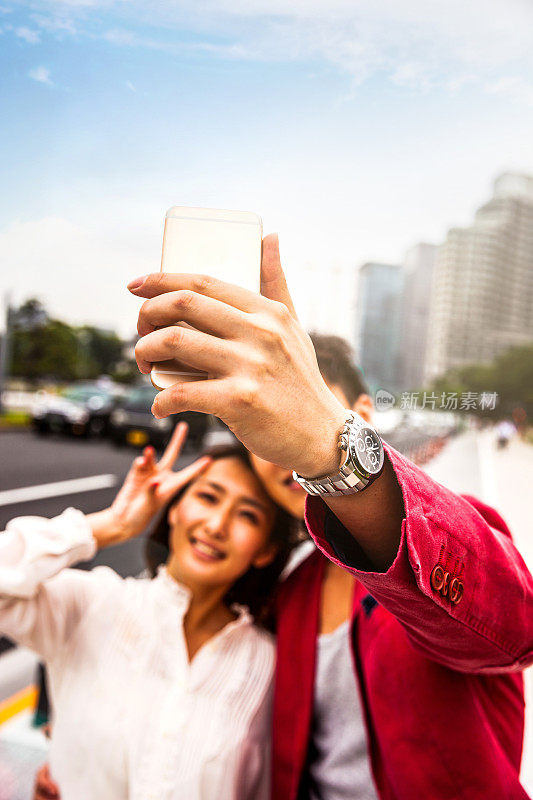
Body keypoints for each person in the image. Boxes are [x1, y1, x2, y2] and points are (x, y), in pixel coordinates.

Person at [128, 235, 533, 799]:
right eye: (254, 420)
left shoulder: (444, 534)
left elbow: (515, 630)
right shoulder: (289, 596)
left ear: (362, 414)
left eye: (294, 408)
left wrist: (329, 446)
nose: (278, 443)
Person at [1, 423, 297, 800]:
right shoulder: (91, 604)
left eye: (247, 516)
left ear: (266, 551)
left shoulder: (270, 664)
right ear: (174, 510)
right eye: (208, 497)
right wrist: (112, 525)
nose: (217, 525)